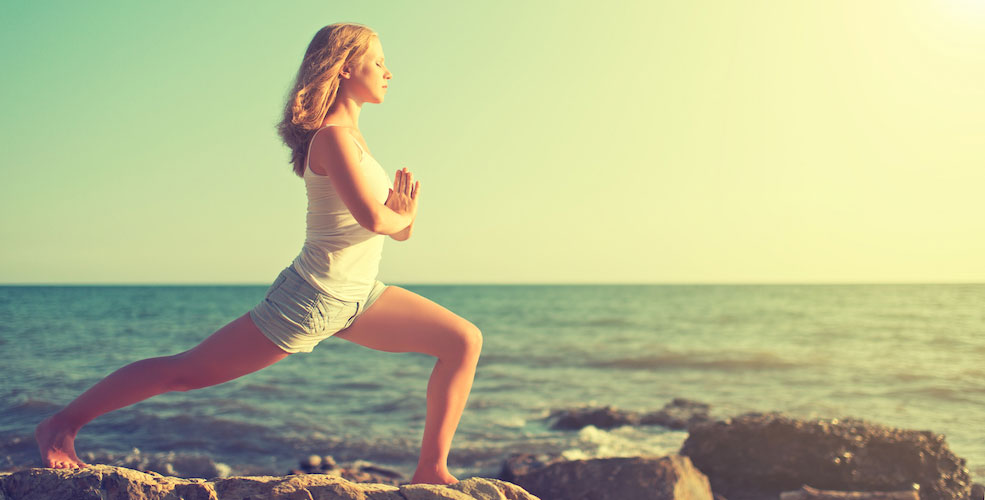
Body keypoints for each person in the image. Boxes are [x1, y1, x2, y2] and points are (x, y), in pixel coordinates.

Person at [34, 22, 482, 486]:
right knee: (186, 372)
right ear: (347, 67)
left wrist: (403, 216)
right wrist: (401, 213)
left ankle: (430, 467)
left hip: (359, 297)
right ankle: (59, 426)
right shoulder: (331, 139)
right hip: (311, 297)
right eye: (379, 62)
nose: (389, 72)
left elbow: (397, 230)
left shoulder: (357, 142)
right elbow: (377, 220)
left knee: (462, 341)